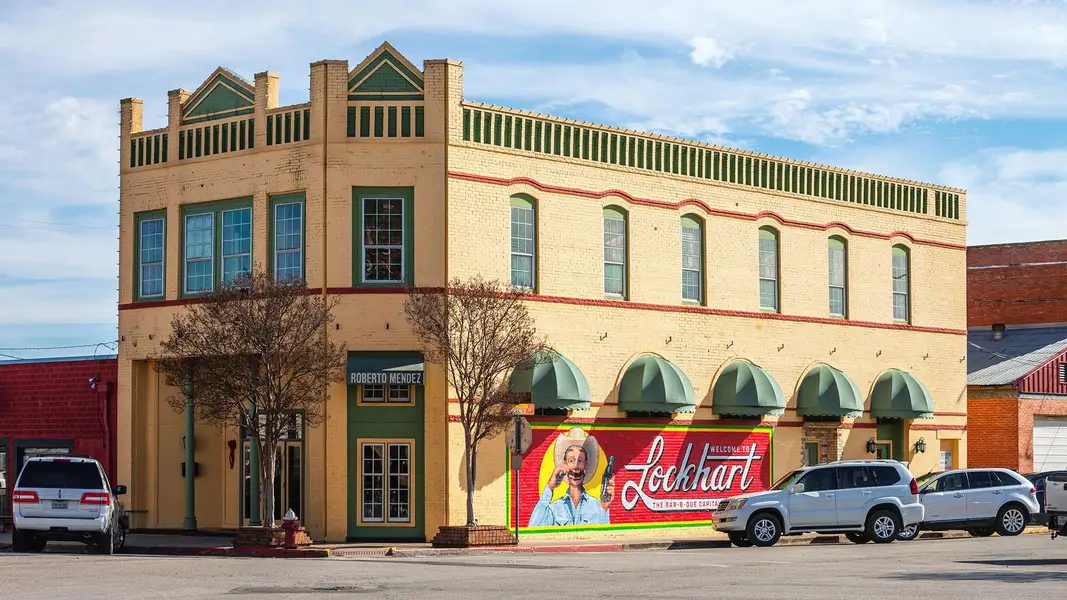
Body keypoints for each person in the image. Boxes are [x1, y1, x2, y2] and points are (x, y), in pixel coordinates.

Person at [528, 427, 615, 527]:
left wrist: (605, 509)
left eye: (580, 460)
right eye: (571, 460)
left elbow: (603, 534)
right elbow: (533, 528)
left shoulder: (597, 507)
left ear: (586, 465)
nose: (576, 466)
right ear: (564, 464)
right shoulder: (554, 508)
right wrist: (549, 487)